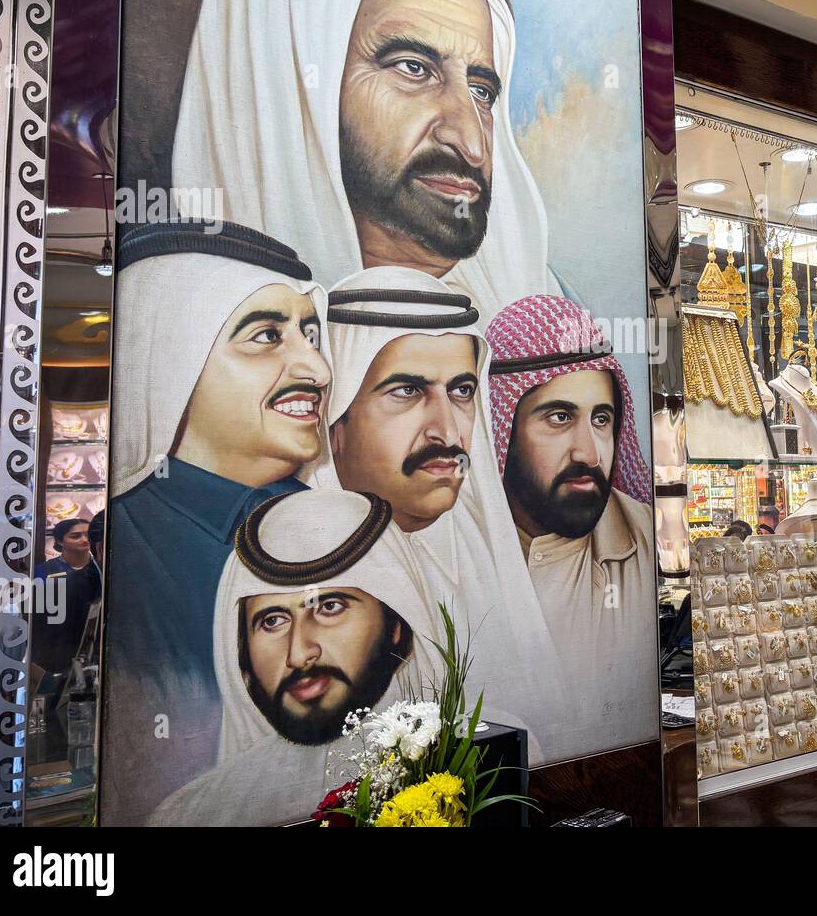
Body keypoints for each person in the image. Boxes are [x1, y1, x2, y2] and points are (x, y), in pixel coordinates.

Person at [171, 0, 557, 318]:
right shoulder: (197, 321)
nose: (472, 143)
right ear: (290, 78)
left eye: (481, 91)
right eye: (414, 68)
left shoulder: (542, 332)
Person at [101, 220, 332, 825]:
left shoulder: (337, 526)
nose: (317, 369)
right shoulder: (114, 551)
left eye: (311, 334)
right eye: (266, 336)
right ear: (171, 357)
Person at [318, 267, 565, 761]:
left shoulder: (479, 550)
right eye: (407, 391)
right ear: (335, 417)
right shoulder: (291, 578)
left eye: (462, 391)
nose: (447, 431)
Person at [150, 489, 437, 826]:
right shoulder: (188, 817)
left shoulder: (474, 766)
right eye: (272, 621)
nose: (299, 654)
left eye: (330, 607)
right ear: (241, 656)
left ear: (396, 627)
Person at [486, 295, 657, 755]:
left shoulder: (648, 541)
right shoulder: (455, 551)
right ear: (499, 429)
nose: (589, 452)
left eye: (601, 419)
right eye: (560, 418)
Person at [30, 519, 102, 691]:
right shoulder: (43, 573)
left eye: (87, 535)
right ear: (61, 541)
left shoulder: (100, 571)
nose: (84, 540)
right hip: (58, 661)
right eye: (76, 536)